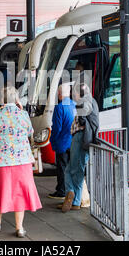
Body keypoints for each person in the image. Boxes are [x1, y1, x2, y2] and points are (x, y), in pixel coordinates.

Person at [0, 86, 42, 238]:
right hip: (22, 160)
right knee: (20, 192)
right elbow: (30, 132)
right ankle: (20, 228)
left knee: (0, 189)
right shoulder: (23, 115)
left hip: (1, 161)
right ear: (16, 99)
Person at [60, 83, 99, 213]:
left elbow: (84, 116)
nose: (73, 96)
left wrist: (81, 119)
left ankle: (73, 196)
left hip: (80, 138)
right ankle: (73, 198)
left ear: (79, 93)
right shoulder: (91, 100)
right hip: (81, 138)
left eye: (74, 93)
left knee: (76, 169)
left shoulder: (85, 100)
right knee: (73, 168)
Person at [48, 84, 76, 200]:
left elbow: (57, 128)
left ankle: (61, 191)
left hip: (62, 143)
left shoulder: (60, 108)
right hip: (73, 142)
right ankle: (71, 191)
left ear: (59, 94)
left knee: (62, 168)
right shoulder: (74, 105)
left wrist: (52, 140)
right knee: (71, 168)